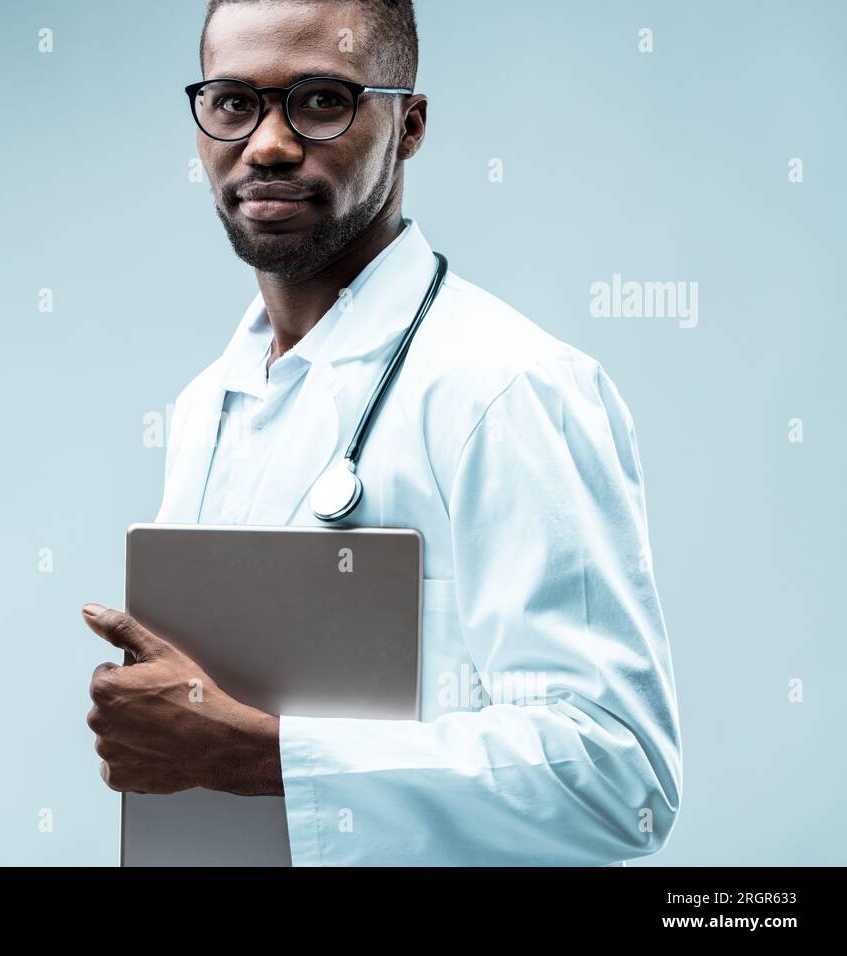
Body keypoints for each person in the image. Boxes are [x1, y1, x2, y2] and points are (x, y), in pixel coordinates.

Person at [82, 0, 682, 866]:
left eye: (322, 100)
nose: (270, 144)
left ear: (410, 125)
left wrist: (266, 755)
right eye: (233, 102)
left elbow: (619, 778)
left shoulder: (507, 388)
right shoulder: (206, 403)